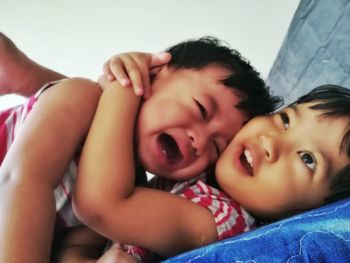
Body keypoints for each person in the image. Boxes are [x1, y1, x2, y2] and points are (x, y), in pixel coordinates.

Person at [0, 33, 279, 262]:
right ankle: (21, 74)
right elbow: (21, 180)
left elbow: (74, 246)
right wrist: (125, 86)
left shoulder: (126, 186)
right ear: (153, 74)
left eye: (217, 148)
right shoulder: (79, 97)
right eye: (201, 109)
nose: (200, 141)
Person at [69, 82, 350, 262]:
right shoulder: (205, 171)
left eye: (307, 159)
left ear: (311, 213)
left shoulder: (223, 221)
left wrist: (122, 88)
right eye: (286, 120)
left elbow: (100, 204)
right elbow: (82, 238)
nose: (271, 142)